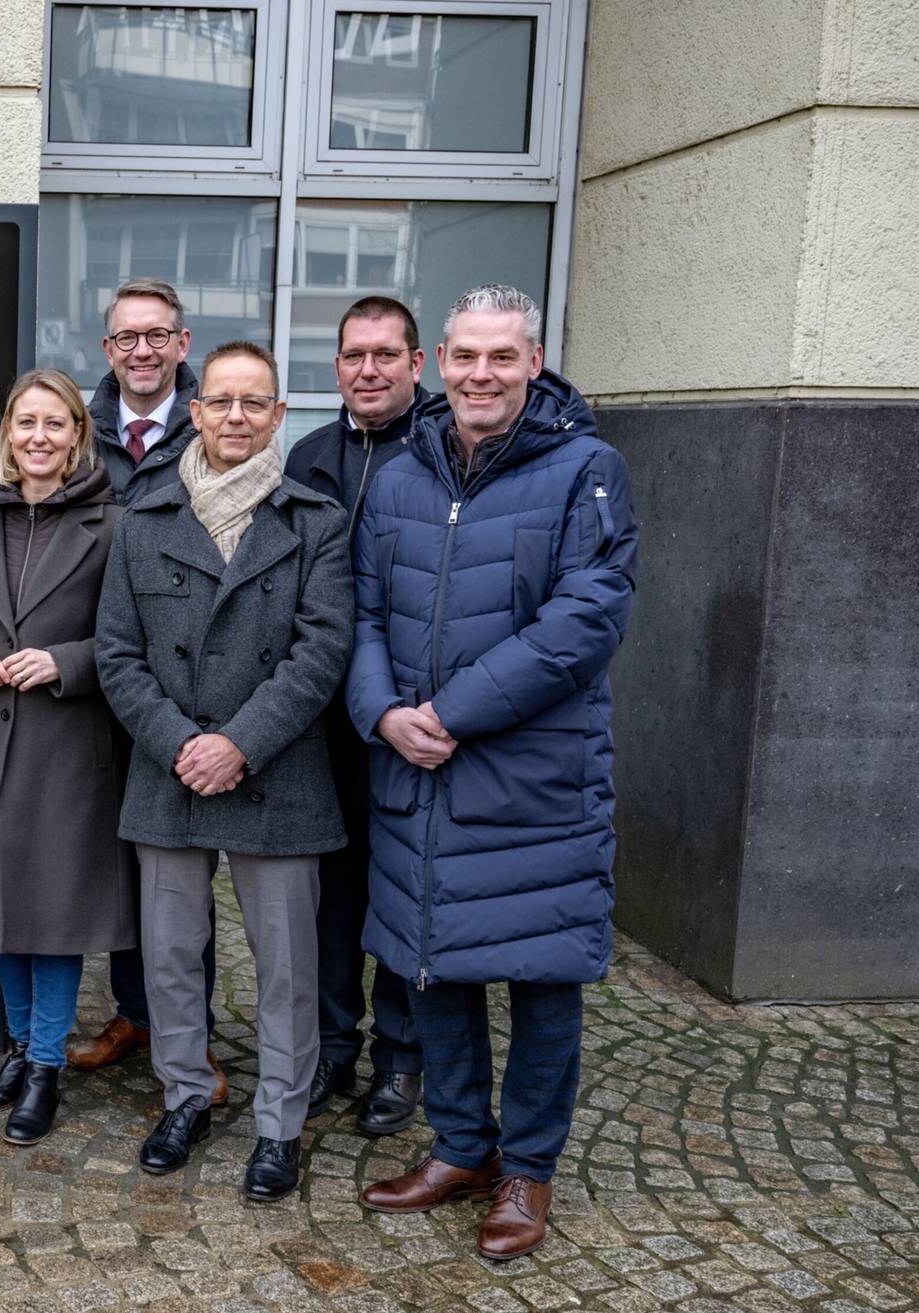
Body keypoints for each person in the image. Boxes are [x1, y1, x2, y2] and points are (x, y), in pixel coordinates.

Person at [350, 285, 637, 1260]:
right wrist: (383, 710)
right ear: (438, 361)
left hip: (536, 783)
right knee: (435, 963)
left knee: (543, 978)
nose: (481, 374)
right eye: (465, 356)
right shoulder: (399, 473)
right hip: (419, 774)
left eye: (500, 357)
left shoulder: (587, 469)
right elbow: (362, 612)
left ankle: (527, 1171)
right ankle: (463, 1146)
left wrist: (449, 712)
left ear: (533, 360)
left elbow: (587, 616)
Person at [96, 340, 351, 1202]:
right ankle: (185, 1093)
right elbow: (116, 654)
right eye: (222, 401)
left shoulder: (316, 519)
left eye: (256, 402)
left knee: (287, 967)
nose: (237, 416)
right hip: (168, 768)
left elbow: (323, 653)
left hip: (276, 770)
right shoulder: (142, 517)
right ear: (194, 412)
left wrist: (240, 742)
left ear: (280, 415)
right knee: (170, 956)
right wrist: (180, 743)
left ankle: (280, 1123)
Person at [0, 368, 132, 1146]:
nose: (38, 436)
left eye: (55, 422)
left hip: (66, 747)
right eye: (24, 422)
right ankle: (17, 1050)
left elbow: (128, 643)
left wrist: (65, 663)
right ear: (7, 433)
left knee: (53, 915)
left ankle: (45, 1066)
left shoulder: (113, 524)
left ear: (78, 433)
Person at [67, 277, 224, 1107]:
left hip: (176, 690)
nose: (142, 351)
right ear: (107, 350)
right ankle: (135, 1012)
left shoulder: (210, 430)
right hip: (91, 674)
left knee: (179, 869)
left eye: (157, 336)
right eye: (127, 337)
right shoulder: (80, 434)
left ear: (182, 343)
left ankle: (186, 1033)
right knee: (120, 859)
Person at [281, 295, 432, 1135]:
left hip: (411, 716)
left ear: (418, 362)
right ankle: (333, 1046)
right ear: (334, 367)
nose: (367, 370)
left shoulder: (445, 452)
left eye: (384, 354)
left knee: (404, 892)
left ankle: (402, 1058)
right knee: (329, 897)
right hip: (322, 721)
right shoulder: (307, 455)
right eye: (352, 356)